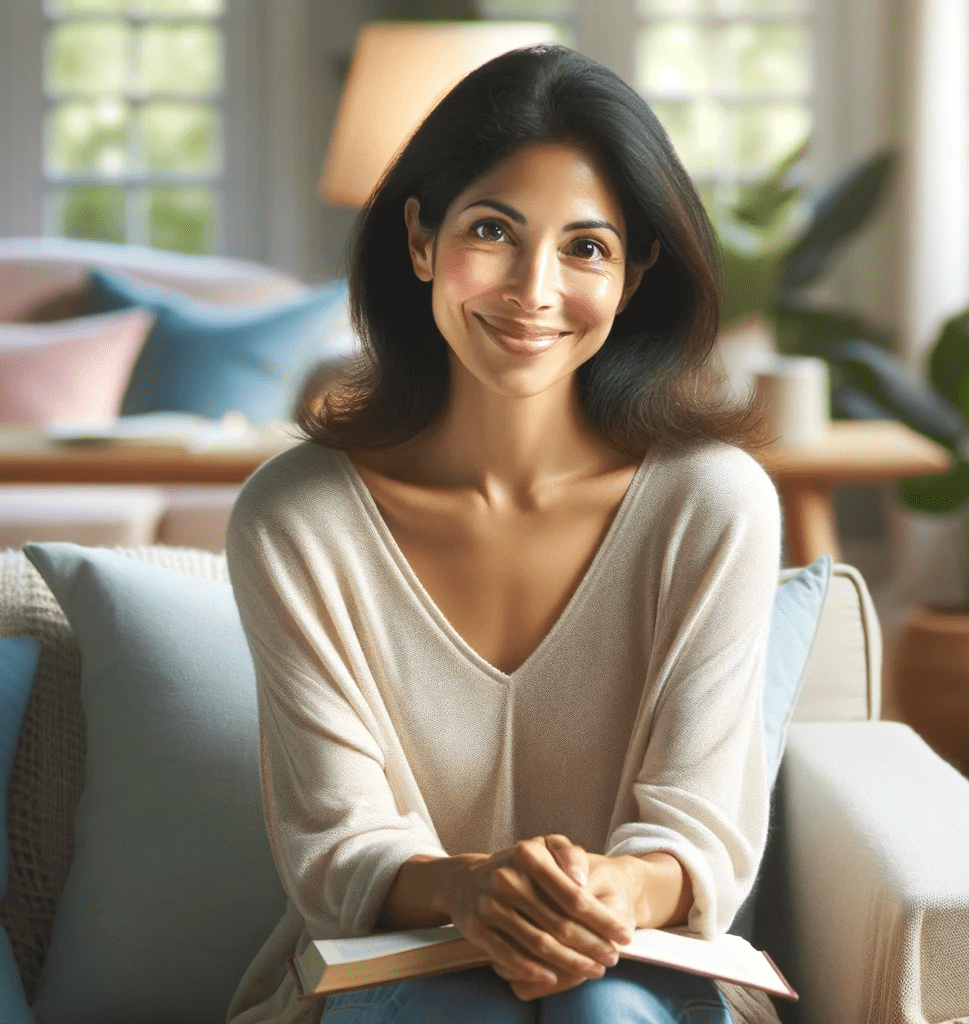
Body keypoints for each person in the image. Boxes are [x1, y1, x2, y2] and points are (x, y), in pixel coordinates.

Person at [224, 44, 781, 1024]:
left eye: (586, 247)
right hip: (382, 973)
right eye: (493, 230)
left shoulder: (713, 503)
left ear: (635, 275)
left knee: (601, 1013)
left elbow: (698, 835)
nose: (535, 287)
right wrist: (471, 889)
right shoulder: (295, 516)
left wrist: (599, 897)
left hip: (641, 974)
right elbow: (336, 848)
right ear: (420, 240)